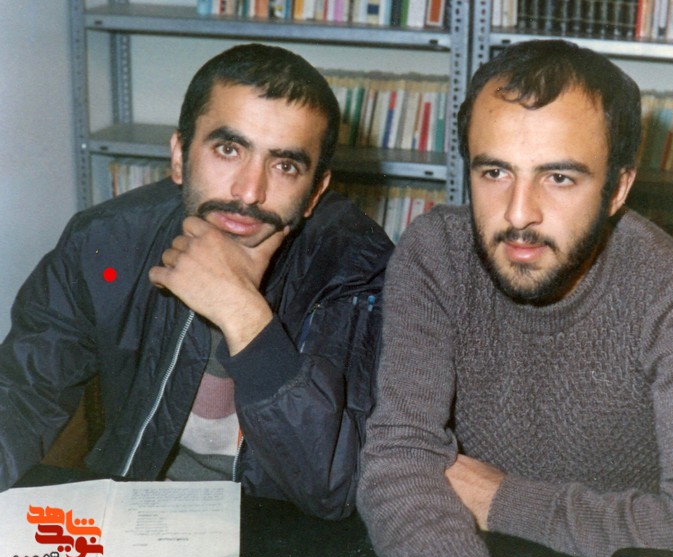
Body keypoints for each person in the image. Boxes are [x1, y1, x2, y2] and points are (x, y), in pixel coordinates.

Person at [357, 39, 673, 557]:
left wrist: (502, 498)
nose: (519, 214)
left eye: (559, 178)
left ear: (617, 189)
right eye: (494, 173)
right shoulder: (437, 255)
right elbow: (398, 460)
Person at [0, 43, 393, 520]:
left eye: (285, 165)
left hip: (277, 531)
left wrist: (242, 313)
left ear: (315, 193)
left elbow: (332, 487)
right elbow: (21, 394)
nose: (249, 192)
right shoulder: (105, 242)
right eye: (229, 149)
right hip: (135, 516)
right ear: (180, 155)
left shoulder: (355, 268)